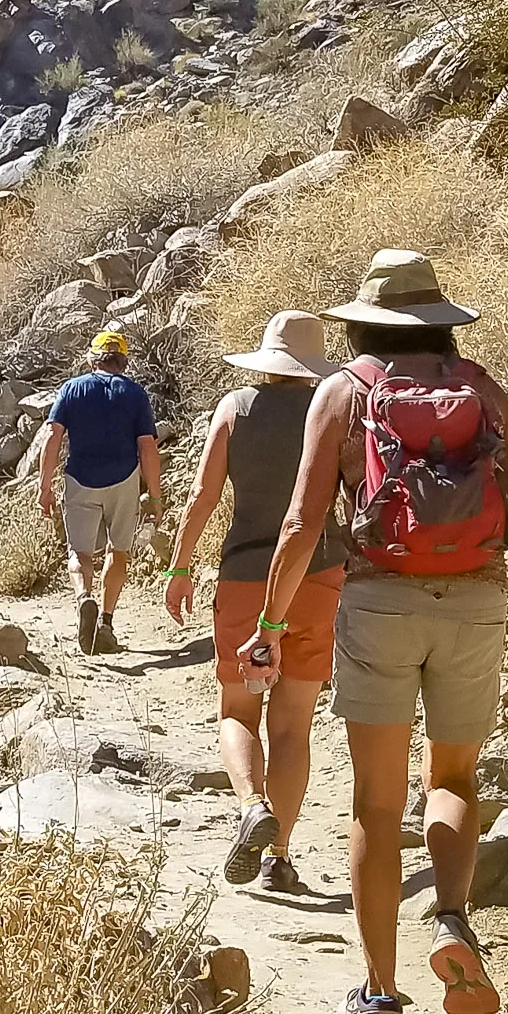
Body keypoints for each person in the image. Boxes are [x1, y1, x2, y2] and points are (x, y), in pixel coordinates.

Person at [245, 251, 508, 1014]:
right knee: (454, 778)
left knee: (376, 804)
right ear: (439, 322)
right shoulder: (484, 391)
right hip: (477, 600)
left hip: (377, 598)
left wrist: (270, 624)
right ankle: (453, 917)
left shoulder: (344, 391)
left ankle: (381, 999)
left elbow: (299, 525)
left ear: (362, 322)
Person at [161, 311, 349, 895]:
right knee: (294, 725)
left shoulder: (235, 408)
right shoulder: (337, 411)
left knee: (238, 711)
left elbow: (204, 493)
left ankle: (251, 805)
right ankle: (279, 858)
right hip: (319, 578)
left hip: (245, 577)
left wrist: (180, 563)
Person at [39, 330, 162, 654]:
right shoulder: (134, 393)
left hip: (80, 480)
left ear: (92, 359)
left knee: (79, 554)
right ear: (123, 361)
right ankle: (105, 622)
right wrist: (155, 496)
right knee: (117, 552)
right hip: (123, 482)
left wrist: (44, 486)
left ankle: (84, 598)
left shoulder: (72, 389)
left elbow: (52, 438)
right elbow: (147, 446)